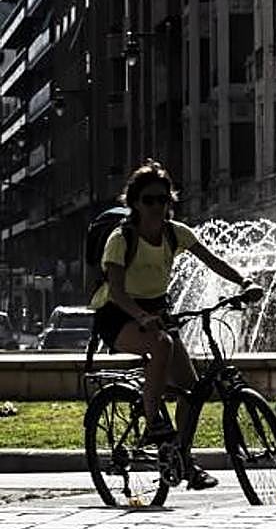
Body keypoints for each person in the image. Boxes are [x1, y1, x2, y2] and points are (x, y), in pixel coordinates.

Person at [89, 160, 258, 489]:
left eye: (163, 200)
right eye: (149, 200)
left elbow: (214, 261)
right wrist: (140, 316)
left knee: (192, 391)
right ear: (135, 202)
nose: (157, 207)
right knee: (162, 344)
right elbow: (118, 291)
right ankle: (153, 423)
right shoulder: (121, 239)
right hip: (118, 314)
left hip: (157, 313)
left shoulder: (174, 233)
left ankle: (182, 457)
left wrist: (244, 282)